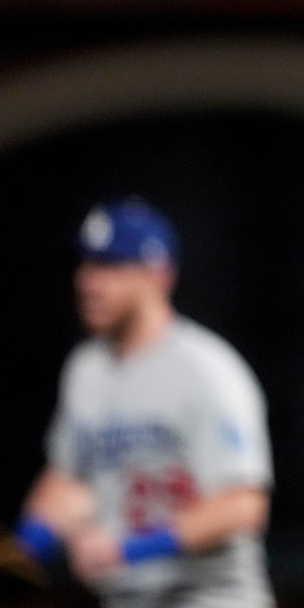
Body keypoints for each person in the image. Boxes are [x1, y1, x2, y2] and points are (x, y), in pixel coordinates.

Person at [14, 197, 275, 607]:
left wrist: (127, 549)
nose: (88, 281)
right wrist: (23, 551)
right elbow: (69, 482)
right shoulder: (87, 369)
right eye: (86, 265)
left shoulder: (207, 369)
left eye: (111, 267)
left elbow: (243, 505)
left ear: (159, 275)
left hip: (209, 596)